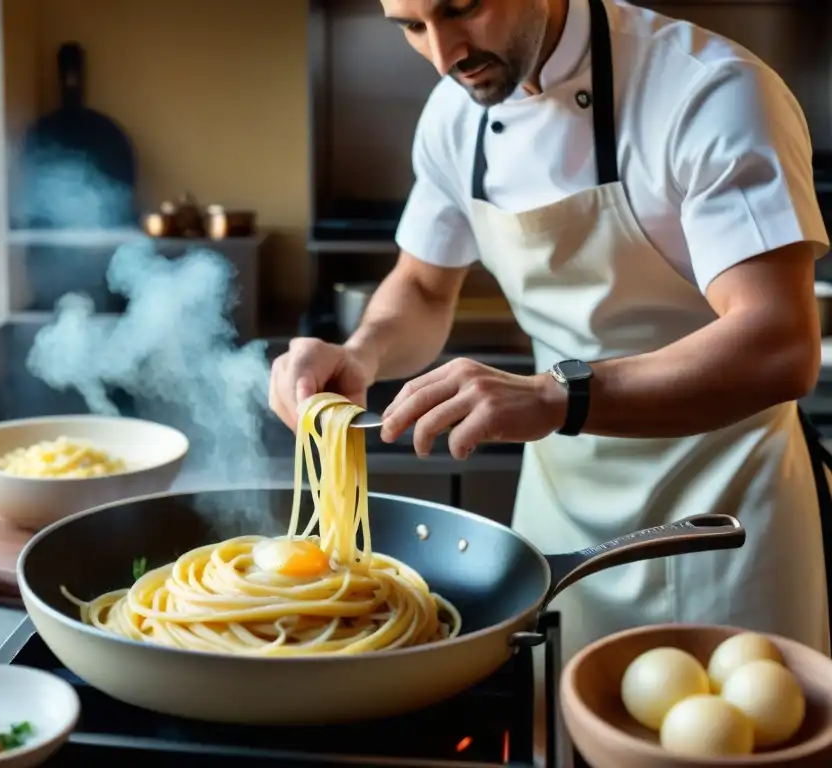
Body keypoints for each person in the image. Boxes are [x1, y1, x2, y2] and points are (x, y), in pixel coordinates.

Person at [270, 0, 832, 667]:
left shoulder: (707, 90)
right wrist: (360, 354)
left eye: (462, 9)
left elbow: (779, 343)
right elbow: (422, 288)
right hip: (557, 519)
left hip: (723, 518)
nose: (445, 53)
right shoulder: (456, 114)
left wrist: (553, 396)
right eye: (412, 27)